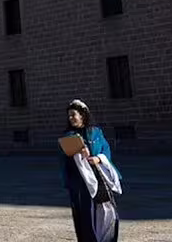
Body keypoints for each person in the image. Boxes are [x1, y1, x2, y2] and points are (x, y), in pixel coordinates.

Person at [60, 99, 122, 242]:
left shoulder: (95, 132)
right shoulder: (68, 135)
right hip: (80, 182)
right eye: (69, 116)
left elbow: (106, 150)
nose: (70, 118)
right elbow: (64, 159)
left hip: (99, 178)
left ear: (82, 115)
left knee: (107, 212)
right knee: (85, 215)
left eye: (73, 115)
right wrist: (77, 154)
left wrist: (98, 159)